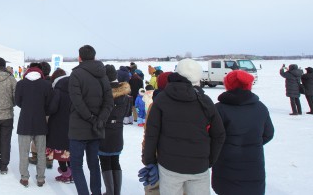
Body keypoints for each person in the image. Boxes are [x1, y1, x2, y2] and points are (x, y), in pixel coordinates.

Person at [141, 58, 226, 194]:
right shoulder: (205, 101)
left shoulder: (162, 99)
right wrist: (208, 161)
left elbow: (151, 134)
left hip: (170, 166)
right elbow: (219, 134)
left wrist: (149, 161)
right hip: (198, 166)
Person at [212, 70, 275, 195]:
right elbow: (268, 133)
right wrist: (252, 143)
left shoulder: (219, 108)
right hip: (253, 162)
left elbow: (213, 136)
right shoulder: (260, 107)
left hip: (226, 162)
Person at [68, 45, 114, 195]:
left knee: (76, 165)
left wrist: (92, 118)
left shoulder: (76, 74)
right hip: (96, 127)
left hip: (79, 128)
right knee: (94, 164)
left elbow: (77, 101)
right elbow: (109, 102)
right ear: (94, 56)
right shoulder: (103, 74)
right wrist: (100, 120)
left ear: (79, 57)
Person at [15, 63, 53, 187]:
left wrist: (26, 107)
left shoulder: (20, 84)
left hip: (25, 121)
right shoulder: (46, 85)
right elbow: (49, 104)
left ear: (28, 70)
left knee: (23, 152)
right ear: (40, 72)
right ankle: (41, 178)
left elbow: (17, 101)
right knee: (41, 152)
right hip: (41, 122)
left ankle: (24, 177)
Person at [99, 64, 131, 195]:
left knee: (105, 161)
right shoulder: (125, 95)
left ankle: (110, 191)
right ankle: (116, 192)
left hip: (104, 131)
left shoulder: (102, 93)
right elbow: (127, 113)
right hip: (118, 131)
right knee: (115, 161)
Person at [45, 68, 73, 183]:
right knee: (70, 150)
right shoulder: (75, 87)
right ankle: (72, 173)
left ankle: (66, 173)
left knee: (59, 150)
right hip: (73, 124)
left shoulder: (57, 89)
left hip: (58, 124)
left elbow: (52, 108)